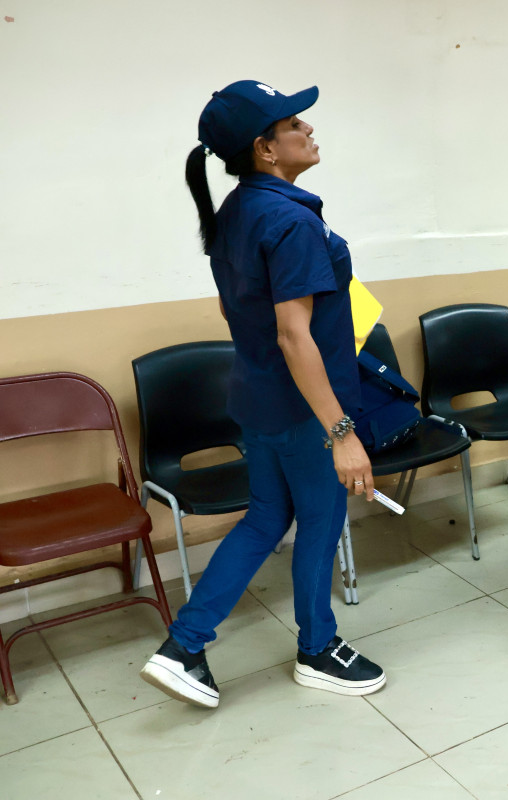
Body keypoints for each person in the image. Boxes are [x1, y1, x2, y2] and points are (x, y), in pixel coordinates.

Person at [139, 81, 385, 709]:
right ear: (265, 149)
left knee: (266, 518)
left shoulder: (236, 212)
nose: (309, 129)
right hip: (306, 410)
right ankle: (317, 650)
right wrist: (341, 433)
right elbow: (294, 335)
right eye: (294, 124)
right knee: (320, 523)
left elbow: (235, 309)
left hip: (258, 398)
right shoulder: (291, 220)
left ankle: (184, 647)